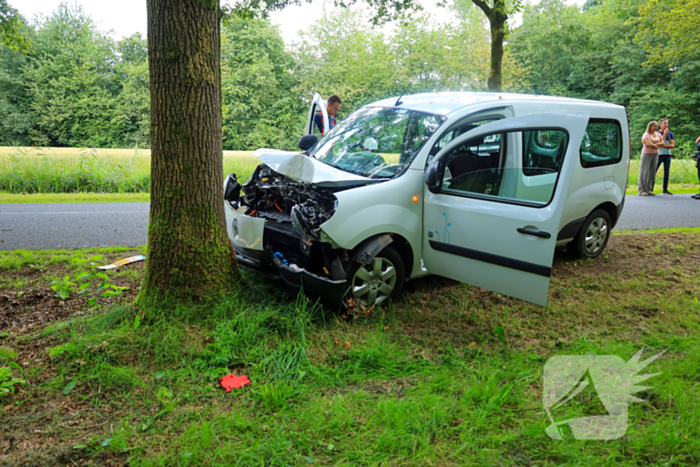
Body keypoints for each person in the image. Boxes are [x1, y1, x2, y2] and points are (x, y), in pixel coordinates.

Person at [638, 121, 664, 196]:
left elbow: (662, 143)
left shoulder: (658, 134)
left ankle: (649, 189)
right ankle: (642, 190)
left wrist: (655, 145)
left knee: (652, 172)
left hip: (655, 154)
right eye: (655, 126)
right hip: (647, 154)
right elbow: (649, 144)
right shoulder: (646, 135)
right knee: (645, 171)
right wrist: (656, 145)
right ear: (650, 127)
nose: (656, 127)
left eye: (656, 126)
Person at [656, 118, 675, 195]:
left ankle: (665, 189)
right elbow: (659, 143)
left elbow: (673, 145)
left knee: (666, 172)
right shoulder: (657, 133)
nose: (666, 124)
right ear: (660, 125)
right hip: (659, 154)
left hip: (668, 155)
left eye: (667, 123)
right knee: (654, 171)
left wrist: (663, 145)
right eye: (664, 123)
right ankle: (650, 188)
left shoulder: (670, 134)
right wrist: (664, 135)